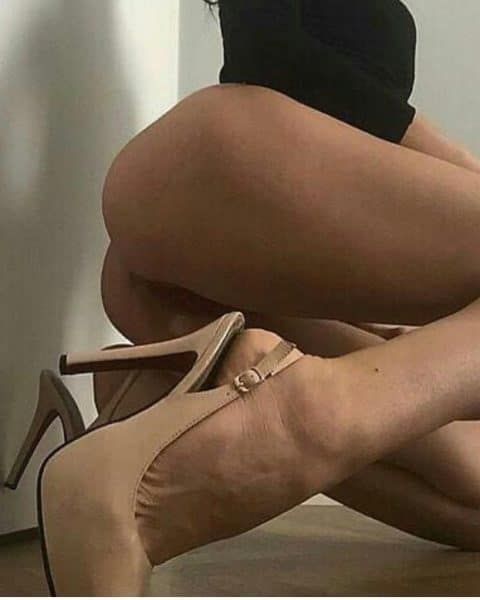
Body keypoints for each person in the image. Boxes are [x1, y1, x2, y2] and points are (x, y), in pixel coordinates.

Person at [38, 1, 480, 594]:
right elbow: (272, 57)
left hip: (190, 248)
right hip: (218, 161)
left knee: (472, 504)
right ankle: (316, 405)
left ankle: (151, 427)